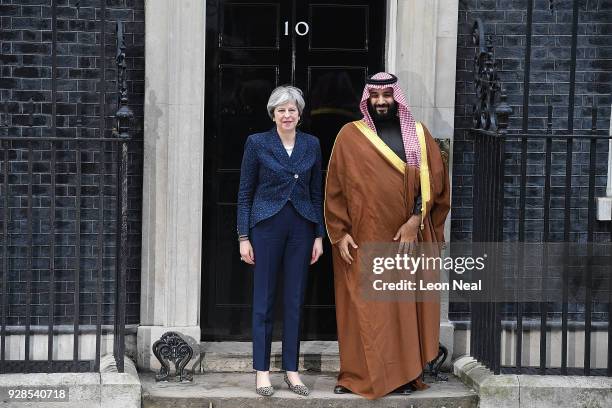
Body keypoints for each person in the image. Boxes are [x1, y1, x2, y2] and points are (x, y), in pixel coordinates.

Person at [324, 72, 450, 399]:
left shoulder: (418, 137)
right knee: (362, 310)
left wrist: (414, 221)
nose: (381, 101)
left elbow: (433, 185)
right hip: (363, 239)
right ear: (367, 99)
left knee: (401, 309)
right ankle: (354, 376)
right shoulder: (349, 136)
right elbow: (335, 189)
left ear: (397, 98)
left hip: (406, 241)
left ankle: (406, 375)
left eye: (387, 95)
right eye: (375, 96)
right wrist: (339, 234)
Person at [237, 85, 325, 397]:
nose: (287, 115)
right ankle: (262, 372)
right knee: (263, 301)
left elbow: (317, 192)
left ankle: (291, 370)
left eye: (292, 110)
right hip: (266, 228)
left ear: (300, 115)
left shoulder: (312, 144)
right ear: (273, 114)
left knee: (294, 300)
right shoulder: (257, 143)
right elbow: (245, 192)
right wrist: (243, 237)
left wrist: (318, 235)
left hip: (301, 228)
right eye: (281, 110)